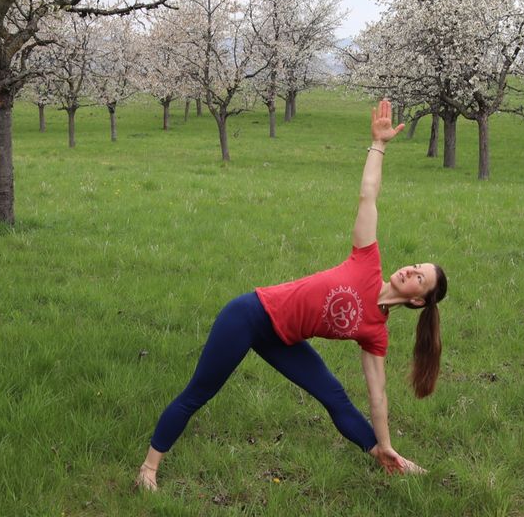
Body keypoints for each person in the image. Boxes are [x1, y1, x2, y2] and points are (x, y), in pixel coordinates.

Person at [134, 99, 447, 491]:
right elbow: (369, 195)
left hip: (283, 339)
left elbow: (378, 396)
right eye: (416, 265)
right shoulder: (368, 261)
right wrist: (378, 146)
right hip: (250, 315)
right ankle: (148, 468)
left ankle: (387, 458)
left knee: (334, 395)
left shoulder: (375, 332)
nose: (410, 270)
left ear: (419, 300)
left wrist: (385, 442)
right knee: (200, 391)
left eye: (420, 278)